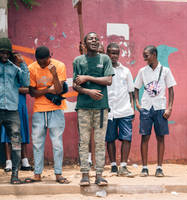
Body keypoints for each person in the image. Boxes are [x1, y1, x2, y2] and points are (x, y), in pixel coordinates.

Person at [73, 32, 114, 186]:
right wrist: (87, 91)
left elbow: (108, 80)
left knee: (99, 142)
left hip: (101, 108)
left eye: (96, 39)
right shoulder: (78, 61)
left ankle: (99, 175)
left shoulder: (105, 59)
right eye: (91, 39)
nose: (94, 41)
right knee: (84, 141)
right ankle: (85, 174)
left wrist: (88, 78)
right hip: (83, 107)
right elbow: (75, 85)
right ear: (84, 44)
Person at [26, 46, 69, 184]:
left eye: (44, 61)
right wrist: (48, 89)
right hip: (39, 110)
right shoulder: (32, 68)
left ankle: (58, 174)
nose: (42, 64)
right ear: (36, 59)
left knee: (57, 143)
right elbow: (32, 92)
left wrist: (54, 75)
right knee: (37, 143)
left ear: (49, 57)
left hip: (56, 109)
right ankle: (37, 174)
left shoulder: (59, 65)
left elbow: (58, 90)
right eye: (40, 62)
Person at [134, 45, 176, 177]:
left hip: (160, 108)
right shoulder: (142, 71)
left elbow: (171, 89)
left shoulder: (165, 71)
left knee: (160, 138)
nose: (144, 57)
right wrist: (137, 104)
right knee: (144, 137)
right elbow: (135, 88)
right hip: (146, 107)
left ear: (154, 54)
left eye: (146, 55)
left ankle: (159, 167)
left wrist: (169, 107)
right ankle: (145, 167)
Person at [0, 37, 30, 184]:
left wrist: (23, 64)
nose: (4, 55)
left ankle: (15, 174)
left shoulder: (14, 68)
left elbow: (25, 82)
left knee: (16, 142)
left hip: (12, 110)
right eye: (2, 53)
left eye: (7, 53)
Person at [105, 43, 135, 176]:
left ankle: (123, 166)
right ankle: (113, 165)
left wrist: (132, 108)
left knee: (126, 138)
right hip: (109, 110)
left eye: (116, 53)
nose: (114, 55)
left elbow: (131, 92)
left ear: (119, 54)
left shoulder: (126, 71)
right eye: (111, 53)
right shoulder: (103, 70)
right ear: (107, 54)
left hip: (125, 110)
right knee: (110, 138)